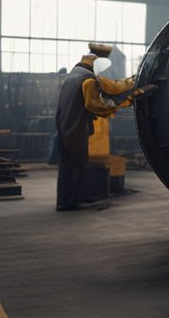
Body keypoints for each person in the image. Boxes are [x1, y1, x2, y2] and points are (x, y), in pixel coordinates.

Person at [54, 43, 138, 211]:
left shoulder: (73, 76)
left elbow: (110, 86)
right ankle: (69, 202)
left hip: (65, 129)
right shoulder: (88, 80)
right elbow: (96, 106)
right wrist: (117, 105)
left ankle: (65, 201)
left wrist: (129, 82)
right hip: (76, 131)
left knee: (67, 168)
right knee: (78, 167)